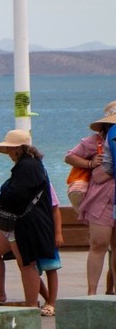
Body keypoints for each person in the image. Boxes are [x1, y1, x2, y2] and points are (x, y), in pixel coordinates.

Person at [0, 129, 59, 312]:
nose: (9, 153)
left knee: (26, 264)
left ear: (20, 149)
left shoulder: (28, 167)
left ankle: (30, 306)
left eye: (11, 149)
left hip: (26, 223)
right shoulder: (30, 165)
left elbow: (17, 195)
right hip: (16, 222)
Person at [65, 101, 116, 294]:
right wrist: (89, 163)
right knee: (98, 244)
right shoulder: (95, 141)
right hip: (100, 200)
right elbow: (70, 156)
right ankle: (92, 292)